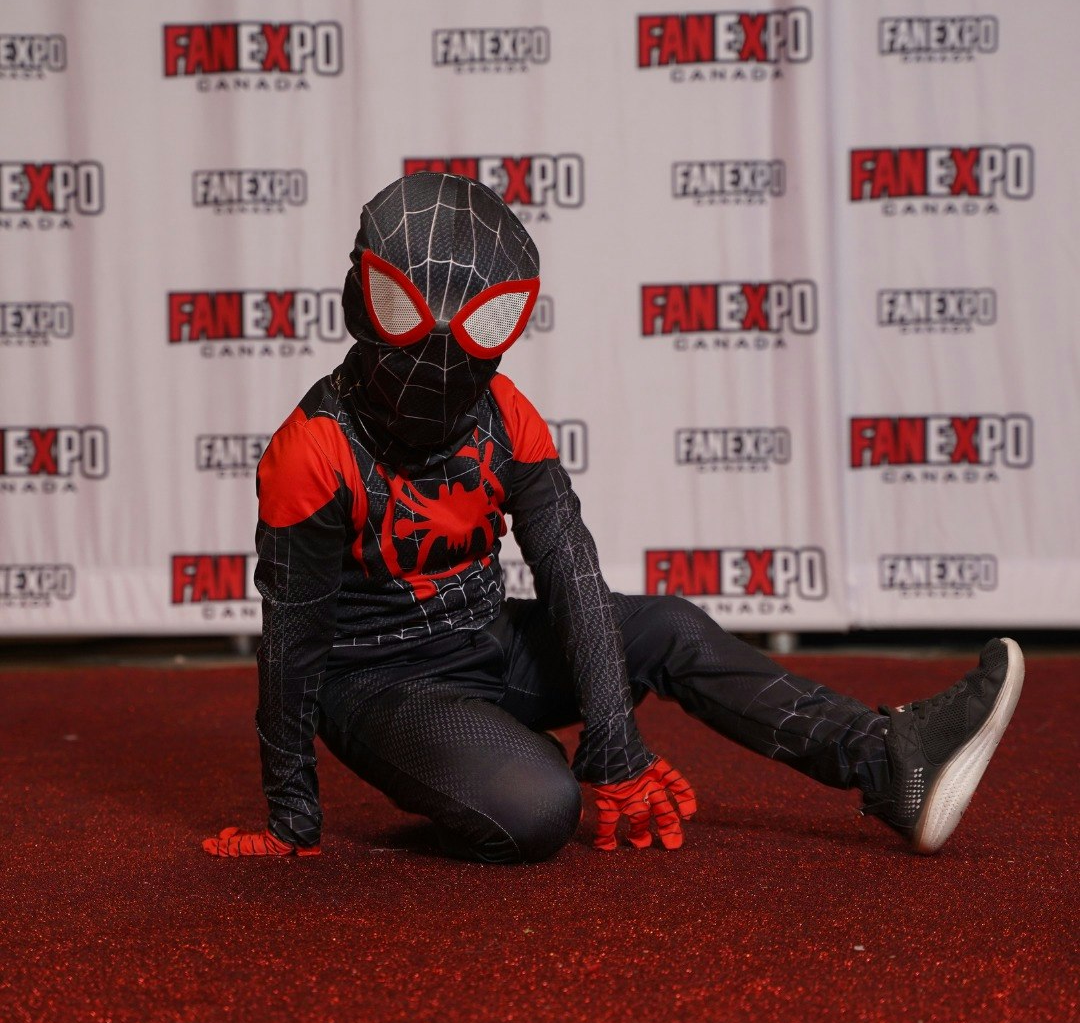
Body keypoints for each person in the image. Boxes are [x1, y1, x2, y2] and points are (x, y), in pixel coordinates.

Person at [203, 172, 1024, 864]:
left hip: (488, 644)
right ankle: (490, 762)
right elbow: (294, 648)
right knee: (538, 812)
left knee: (665, 623)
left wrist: (615, 742)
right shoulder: (312, 451)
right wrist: (292, 820)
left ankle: (890, 761)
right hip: (380, 683)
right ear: (366, 302)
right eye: (417, 333)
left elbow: (572, 575)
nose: (439, 371)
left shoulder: (505, 418)